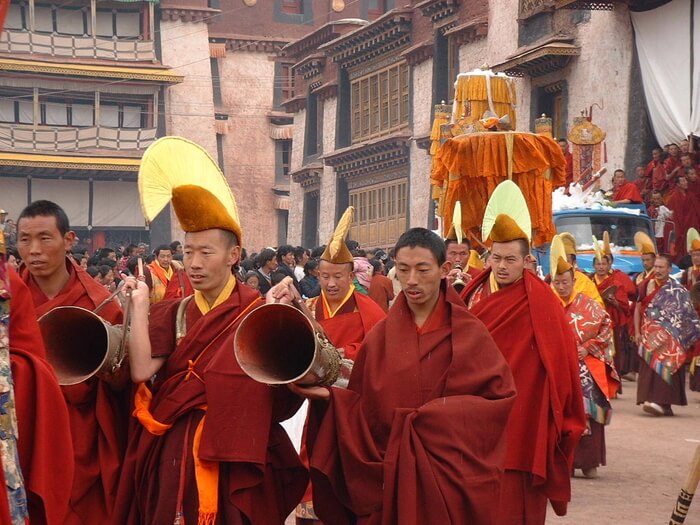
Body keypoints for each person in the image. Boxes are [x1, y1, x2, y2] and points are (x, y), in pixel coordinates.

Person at [114, 136, 306, 525]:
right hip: (175, 446)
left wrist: (288, 316)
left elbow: (289, 381)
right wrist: (137, 307)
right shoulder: (175, 311)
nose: (195, 263)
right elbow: (140, 372)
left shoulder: (257, 310)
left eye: (206, 252)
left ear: (233, 255)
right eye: (188, 252)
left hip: (237, 448)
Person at [283, 227, 516, 524]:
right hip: (390, 475)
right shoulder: (381, 336)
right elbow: (363, 405)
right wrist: (333, 399)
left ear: (444, 269)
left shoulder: (470, 334)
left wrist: (429, 422)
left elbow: (497, 401)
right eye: (403, 270)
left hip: (446, 479)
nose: (412, 280)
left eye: (422, 269)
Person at [460, 181, 585, 523]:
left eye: (510, 259)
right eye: (496, 257)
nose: (502, 266)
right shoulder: (472, 293)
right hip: (476, 415)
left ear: (527, 260)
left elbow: (562, 365)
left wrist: (558, 415)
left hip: (523, 420)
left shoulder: (542, 301)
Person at [15, 200, 126, 525]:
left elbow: (121, 384)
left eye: (45, 238)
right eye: (24, 239)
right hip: (20, 431)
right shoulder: (8, 296)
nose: (33, 250)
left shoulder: (99, 303)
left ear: (69, 240)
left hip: (79, 435)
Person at [292, 208, 386, 523]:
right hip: (311, 408)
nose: (331, 284)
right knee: (311, 460)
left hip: (351, 410)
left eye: (338, 276)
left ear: (350, 276)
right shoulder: (308, 309)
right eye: (324, 276)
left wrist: (339, 356)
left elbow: (378, 358)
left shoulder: (369, 312)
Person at [550, 236, 619, 480]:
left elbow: (605, 328)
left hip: (587, 367)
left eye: (565, 281)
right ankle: (565, 462)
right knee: (561, 414)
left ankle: (590, 461)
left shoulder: (587, 304)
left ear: (574, 280)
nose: (561, 286)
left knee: (590, 410)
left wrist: (588, 348)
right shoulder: (548, 304)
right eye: (557, 282)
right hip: (559, 369)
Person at [635, 254, 700, 416]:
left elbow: (688, 315)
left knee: (667, 368)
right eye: (656, 267)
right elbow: (637, 308)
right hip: (649, 336)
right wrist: (636, 331)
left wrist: (678, 335)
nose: (657, 270)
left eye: (661, 267)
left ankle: (664, 403)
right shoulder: (646, 285)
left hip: (671, 340)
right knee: (650, 372)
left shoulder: (678, 290)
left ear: (669, 269)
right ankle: (652, 400)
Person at [592, 233, 638, 381]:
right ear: (594, 266)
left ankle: (613, 383)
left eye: (603, 264)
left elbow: (624, 305)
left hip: (611, 324)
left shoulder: (615, 282)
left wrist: (614, 302)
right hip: (594, 324)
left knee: (612, 353)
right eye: (598, 264)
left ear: (609, 265)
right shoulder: (589, 281)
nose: (601, 267)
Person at [557, 232, 604, 307]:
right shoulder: (553, 280)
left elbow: (598, 305)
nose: (564, 264)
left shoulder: (585, 282)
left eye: (567, 261)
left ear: (574, 262)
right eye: (561, 261)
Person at [667, 176, 700, 262]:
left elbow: (697, 210)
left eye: (686, 180)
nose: (686, 182)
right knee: (680, 246)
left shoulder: (691, 195)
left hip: (692, 224)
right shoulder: (674, 197)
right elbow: (672, 214)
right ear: (678, 184)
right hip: (680, 225)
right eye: (683, 181)